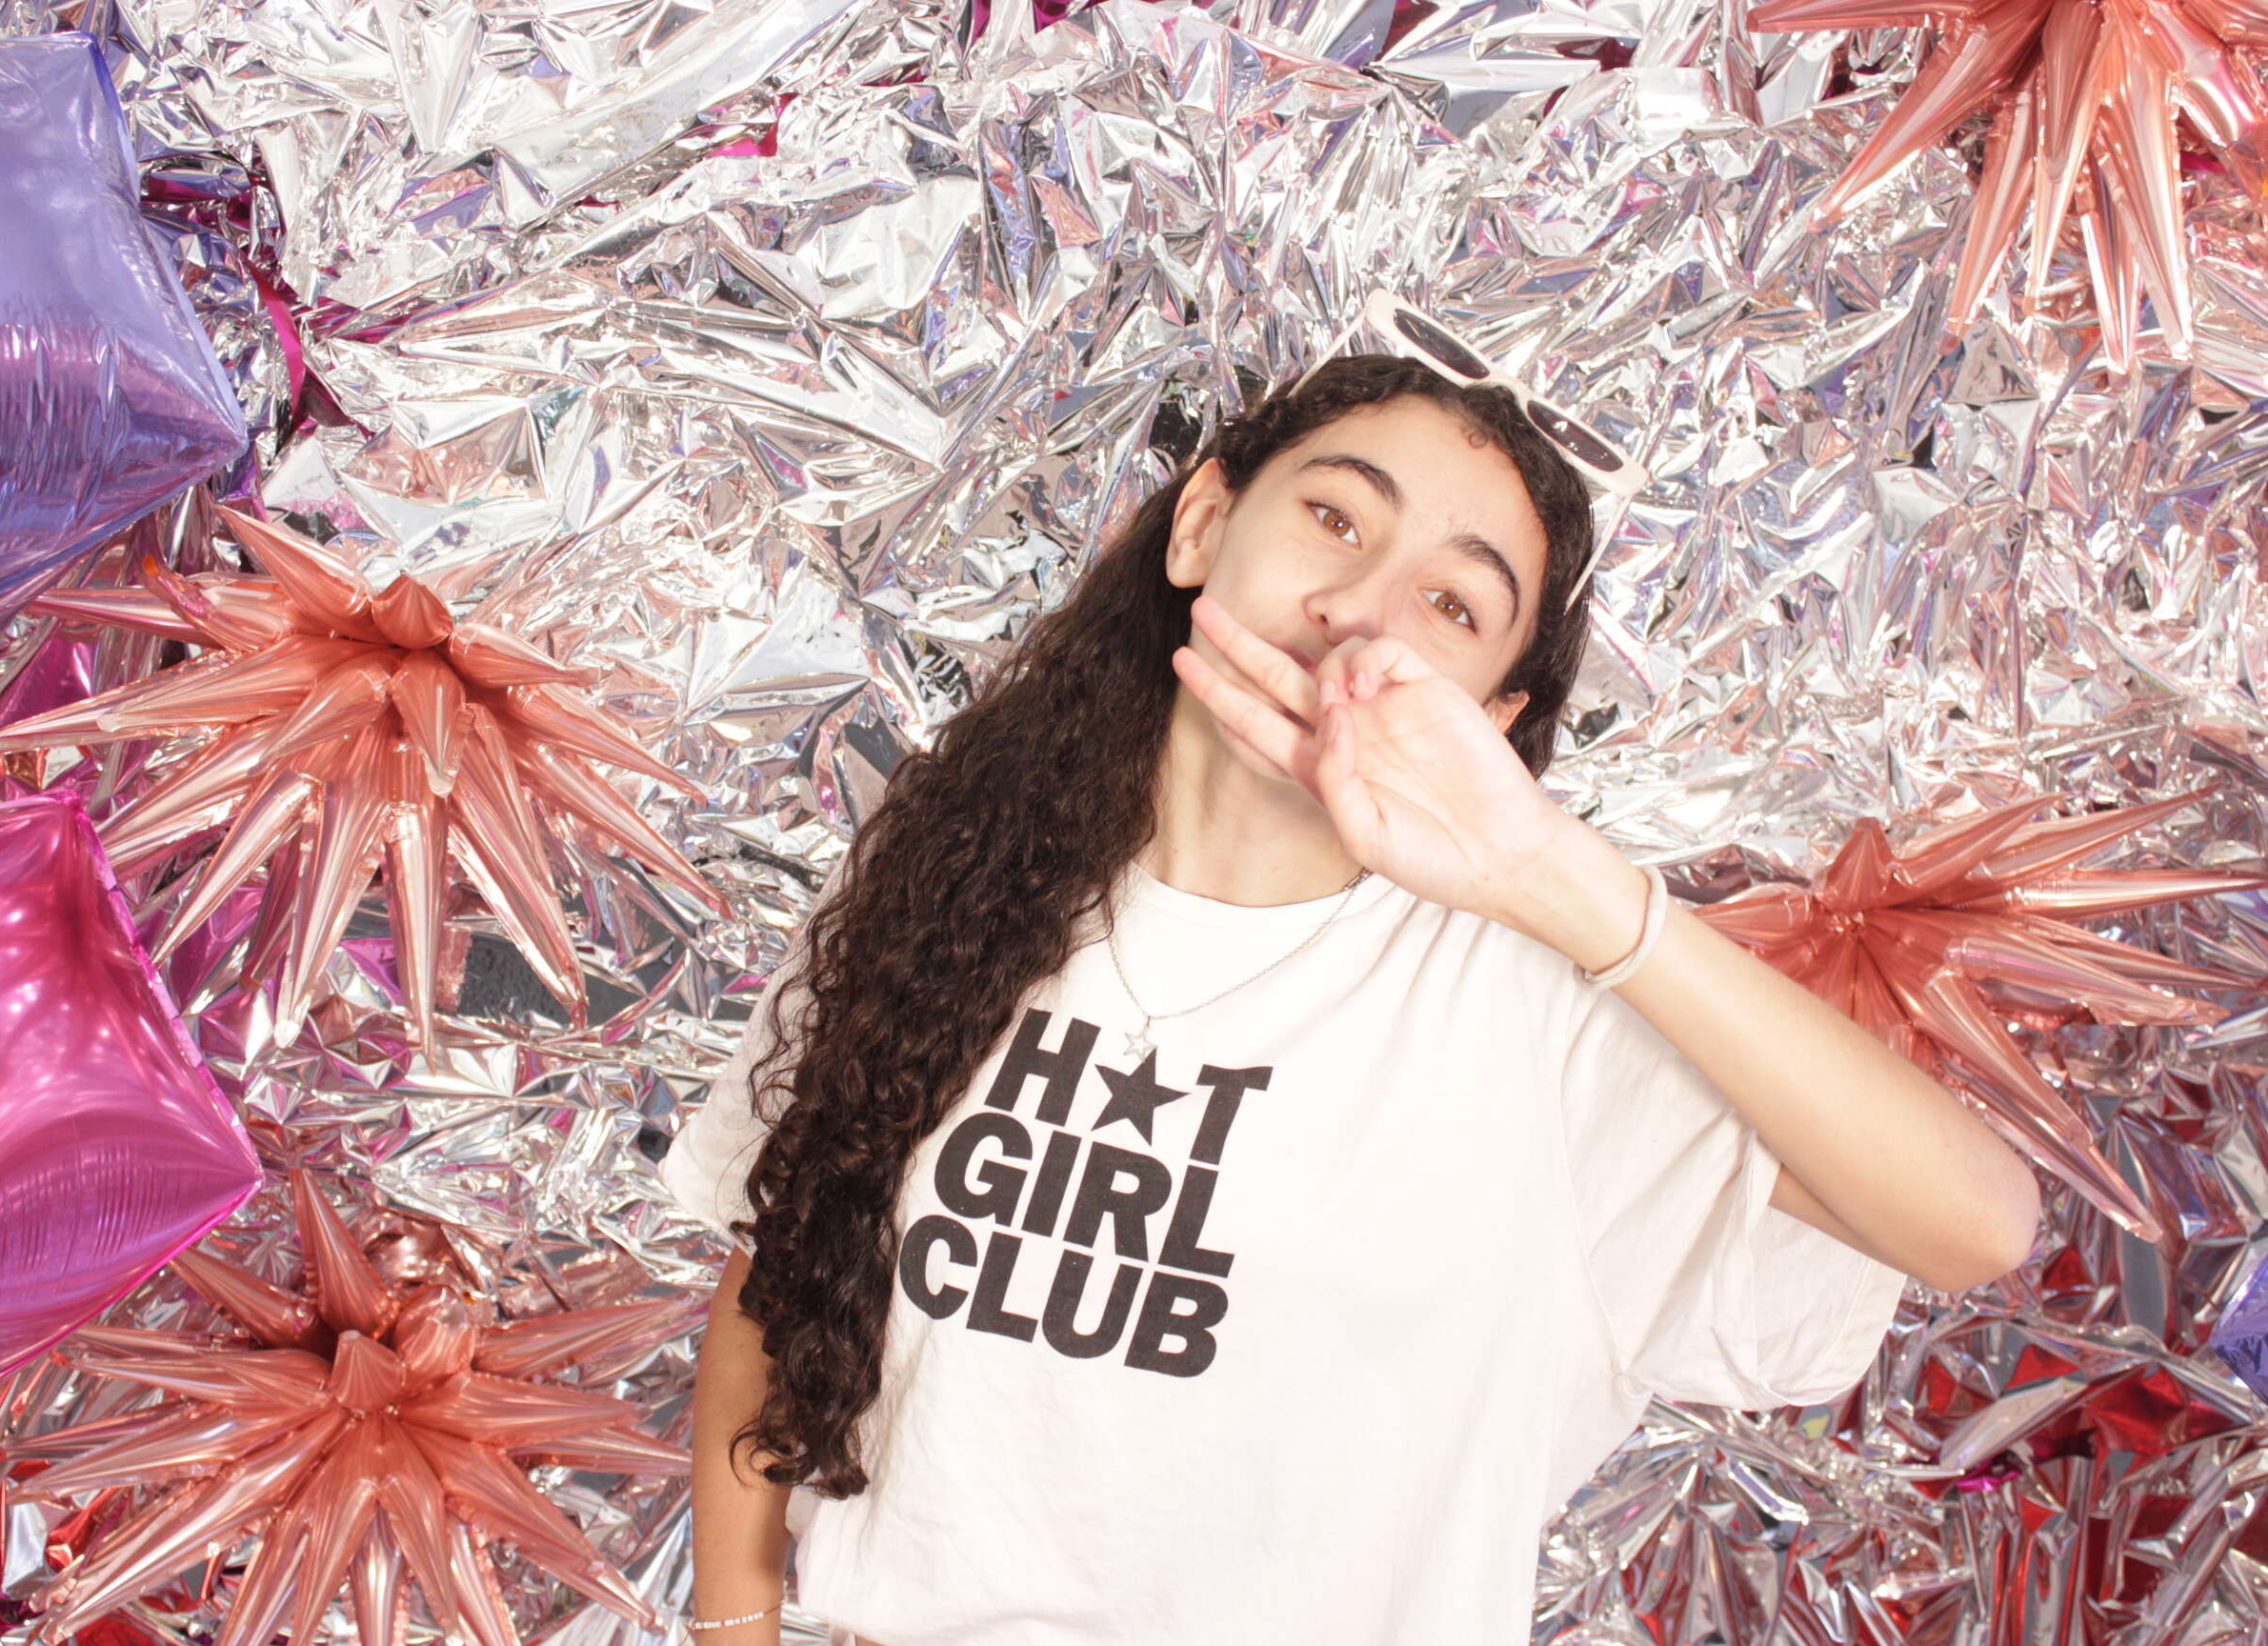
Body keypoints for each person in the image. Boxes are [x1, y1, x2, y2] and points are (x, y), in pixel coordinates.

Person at [655, 346, 2043, 1645]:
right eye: (1335, 519)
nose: (1364, 611)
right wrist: (733, 1626)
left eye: (1454, 606)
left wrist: (1545, 868)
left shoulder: (1541, 1017)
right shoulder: (956, 883)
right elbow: (780, 1272)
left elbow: (1977, 1225)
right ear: (1203, 527)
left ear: (1494, 717)